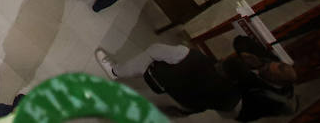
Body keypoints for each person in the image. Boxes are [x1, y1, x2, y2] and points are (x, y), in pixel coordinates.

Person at [95, 43, 241, 116]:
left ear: (222, 62)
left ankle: (115, 71)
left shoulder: (194, 57)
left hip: (159, 81)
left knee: (151, 55)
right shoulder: (230, 97)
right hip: (179, 104)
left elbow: (155, 49)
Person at [222, 36, 298, 121]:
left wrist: (247, 68)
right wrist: (243, 52)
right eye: (269, 64)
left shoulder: (269, 98)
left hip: (239, 106)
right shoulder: (272, 63)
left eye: (267, 69)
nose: (265, 65)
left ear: (274, 80)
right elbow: (241, 40)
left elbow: (238, 91)